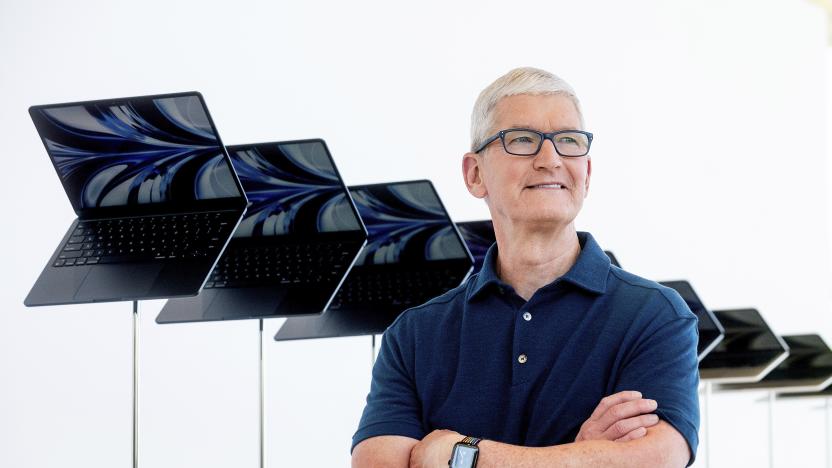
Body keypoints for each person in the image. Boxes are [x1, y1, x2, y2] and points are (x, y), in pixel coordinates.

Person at [351, 67, 699, 468]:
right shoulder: (414, 336)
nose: (550, 159)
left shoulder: (655, 316)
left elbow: (654, 458)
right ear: (474, 173)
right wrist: (582, 453)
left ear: (586, 173)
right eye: (521, 140)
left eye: (568, 141)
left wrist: (460, 454)